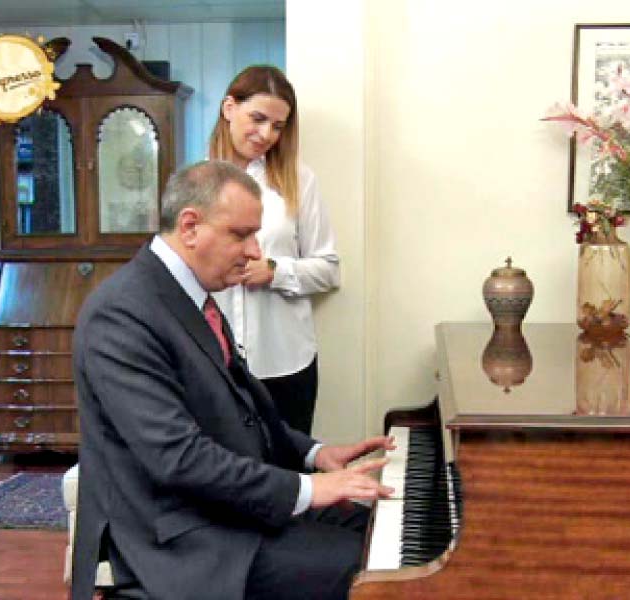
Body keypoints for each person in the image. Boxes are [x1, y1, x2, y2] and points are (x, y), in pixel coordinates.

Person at [70, 160, 393, 600]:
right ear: (190, 227)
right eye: (241, 235)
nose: (256, 252)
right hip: (181, 536)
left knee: (381, 531)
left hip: (227, 507)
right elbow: (178, 457)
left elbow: (244, 413)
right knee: (366, 568)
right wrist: (305, 488)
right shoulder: (122, 314)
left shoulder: (188, 292)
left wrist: (316, 455)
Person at [209, 65, 339, 435]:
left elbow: (329, 268)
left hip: (287, 362)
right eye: (258, 118)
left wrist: (276, 271)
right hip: (216, 366)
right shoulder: (195, 182)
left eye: (278, 126)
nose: (267, 134)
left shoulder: (298, 179)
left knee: (290, 476)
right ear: (229, 107)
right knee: (225, 480)